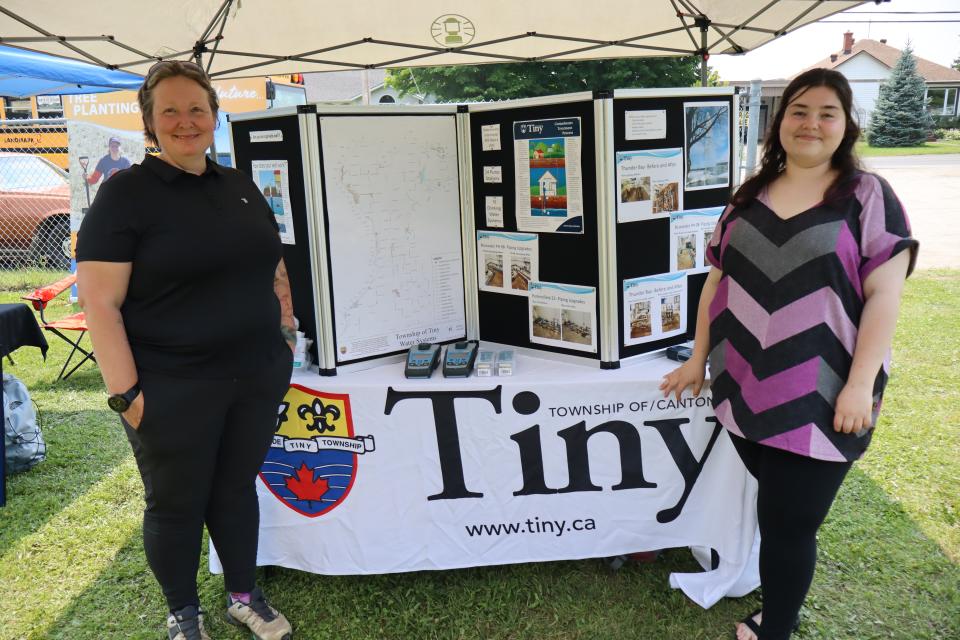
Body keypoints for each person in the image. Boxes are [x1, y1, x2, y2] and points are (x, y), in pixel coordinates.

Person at [660, 67, 917, 640]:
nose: (812, 123)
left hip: (826, 391)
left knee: (789, 524)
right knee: (776, 506)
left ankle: (776, 628)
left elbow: (885, 295)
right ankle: (780, 612)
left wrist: (857, 384)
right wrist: (698, 358)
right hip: (742, 383)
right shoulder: (748, 197)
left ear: (846, 124)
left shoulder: (867, 196)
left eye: (828, 112)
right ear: (781, 122)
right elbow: (715, 285)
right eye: (800, 110)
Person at [76, 60, 297, 640]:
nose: (185, 121)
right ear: (149, 123)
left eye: (196, 108)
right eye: (169, 110)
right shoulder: (124, 197)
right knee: (176, 504)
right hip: (170, 387)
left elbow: (272, 264)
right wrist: (127, 395)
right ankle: (184, 613)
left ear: (215, 116)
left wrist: (286, 332)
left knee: (235, 489)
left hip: (253, 376)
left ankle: (245, 596)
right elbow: (100, 304)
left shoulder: (239, 186)